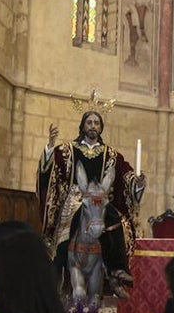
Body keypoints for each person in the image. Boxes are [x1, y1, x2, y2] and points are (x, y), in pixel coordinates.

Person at [38, 111, 145, 298]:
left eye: (96, 123)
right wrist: (49, 147)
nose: (93, 126)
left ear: (101, 127)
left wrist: (138, 183)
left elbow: (125, 176)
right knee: (64, 234)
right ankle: (58, 279)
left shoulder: (111, 155)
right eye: (89, 122)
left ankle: (117, 272)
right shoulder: (66, 151)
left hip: (101, 200)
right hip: (75, 200)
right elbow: (50, 171)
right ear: (83, 126)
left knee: (119, 224)